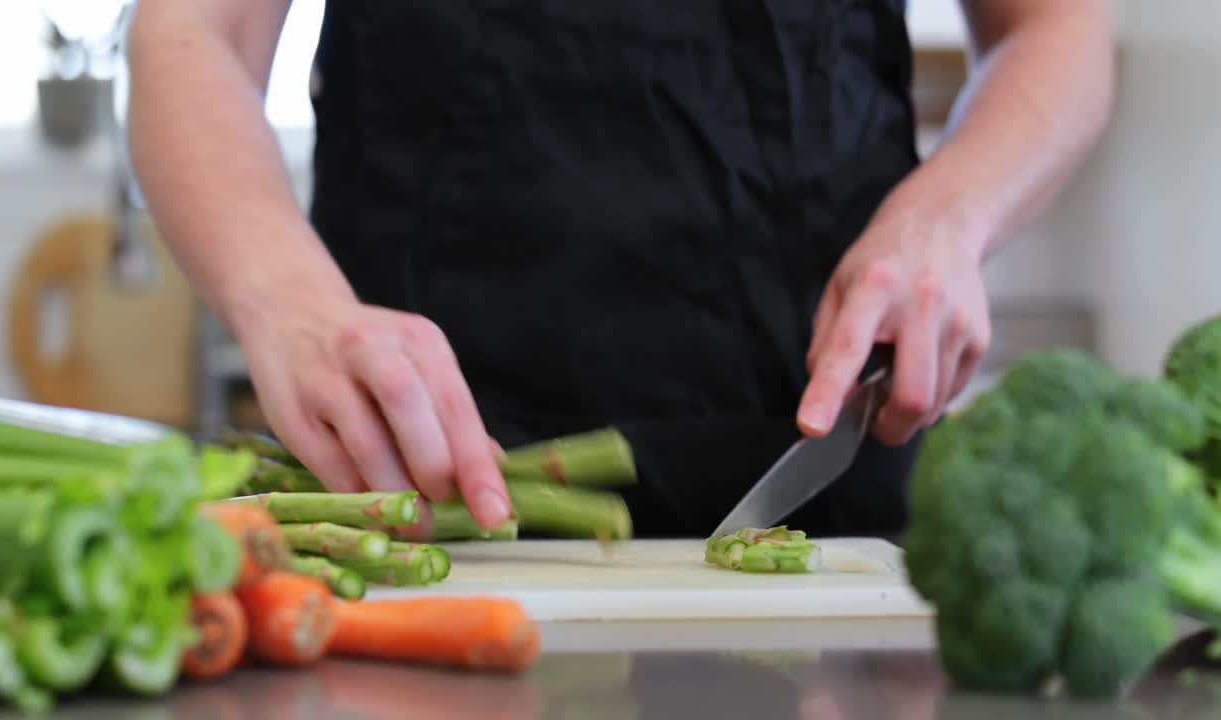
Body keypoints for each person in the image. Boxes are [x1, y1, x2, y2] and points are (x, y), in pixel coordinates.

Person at [126, 0, 1114, 539]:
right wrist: (284, 297)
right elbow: (193, 30)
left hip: (821, 464)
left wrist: (945, 219)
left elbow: (1055, 25)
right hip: (424, 469)